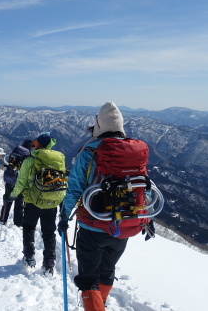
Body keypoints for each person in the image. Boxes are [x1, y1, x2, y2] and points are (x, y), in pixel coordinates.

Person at [57, 102, 155, 311]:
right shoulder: (134, 152)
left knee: (88, 278)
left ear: (99, 125)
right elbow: (143, 187)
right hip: (125, 225)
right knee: (107, 270)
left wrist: (64, 216)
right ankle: (101, 303)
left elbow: (74, 188)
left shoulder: (90, 151)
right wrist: (147, 218)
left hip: (94, 225)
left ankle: (96, 305)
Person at [9, 132, 65, 275]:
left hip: (32, 201)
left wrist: (12, 196)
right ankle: (49, 263)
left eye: (35, 144)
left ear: (39, 145)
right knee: (49, 233)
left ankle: (29, 256)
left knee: (28, 228)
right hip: (52, 202)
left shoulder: (30, 160)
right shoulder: (59, 159)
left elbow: (21, 182)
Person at [0, 139, 34, 226]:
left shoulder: (16, 151)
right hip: (20, 182)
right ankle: (18, 223)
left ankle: (3, 219)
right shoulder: (29, 155)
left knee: (7, 198)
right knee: (19, 202)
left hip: (9, 179)